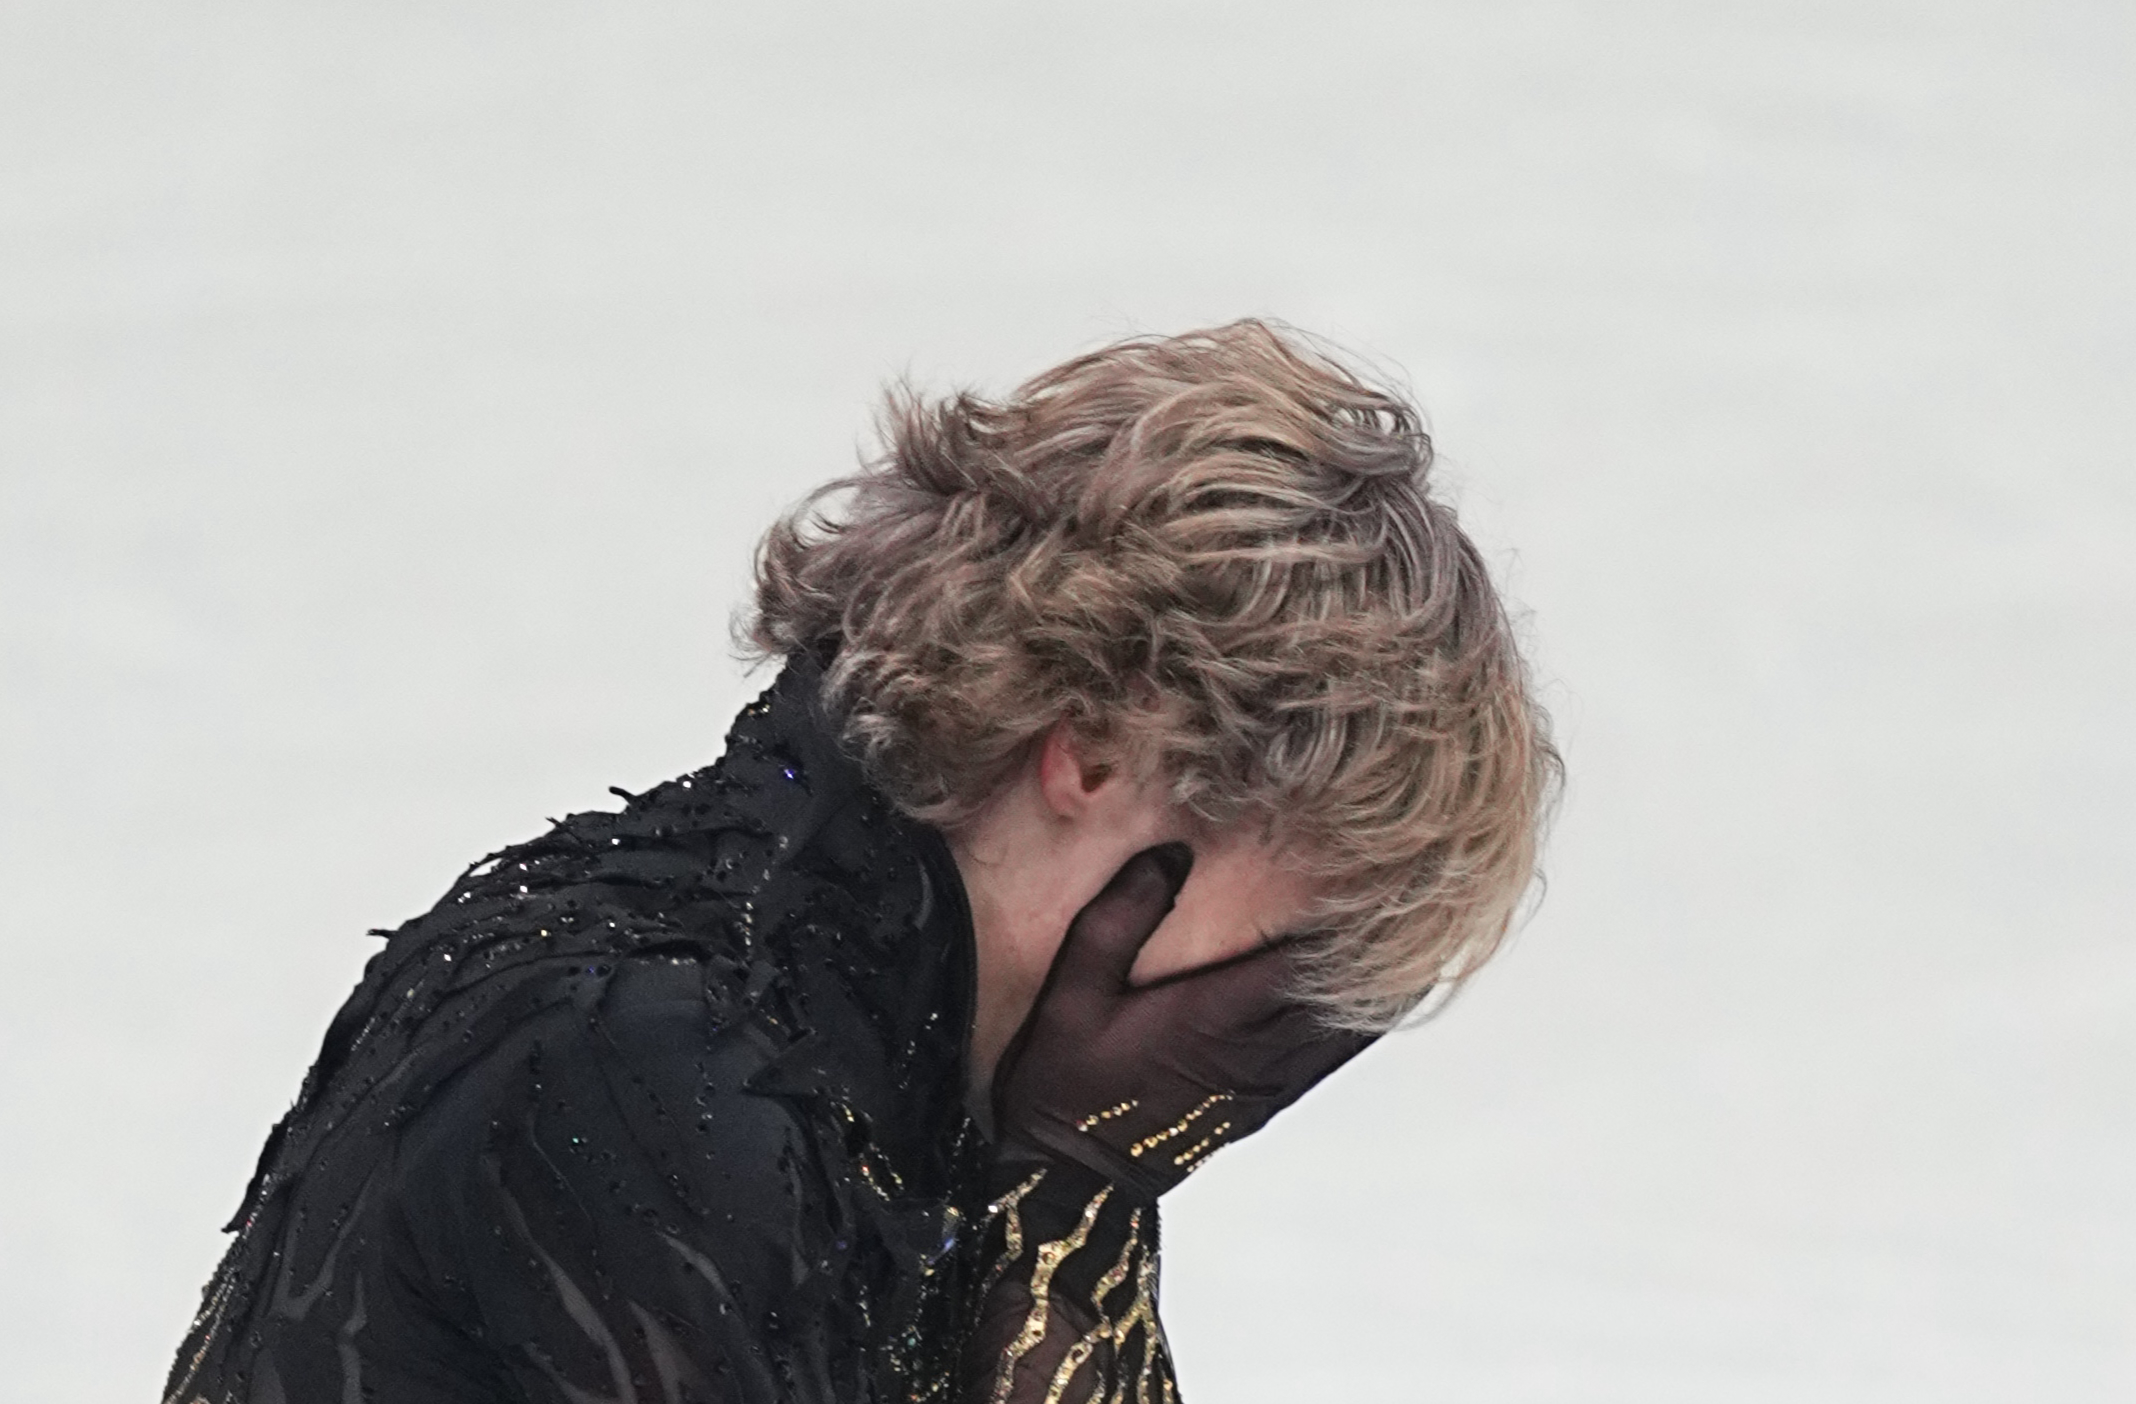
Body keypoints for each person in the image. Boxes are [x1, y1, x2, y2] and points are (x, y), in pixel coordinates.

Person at [163, 320, 1559, 1404]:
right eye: (1309, 929)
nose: (1284, 1015)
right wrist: (1071, 1219)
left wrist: (1072, 1210)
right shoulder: (654, 1078)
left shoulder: (864, 1056)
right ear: (1096, 759)